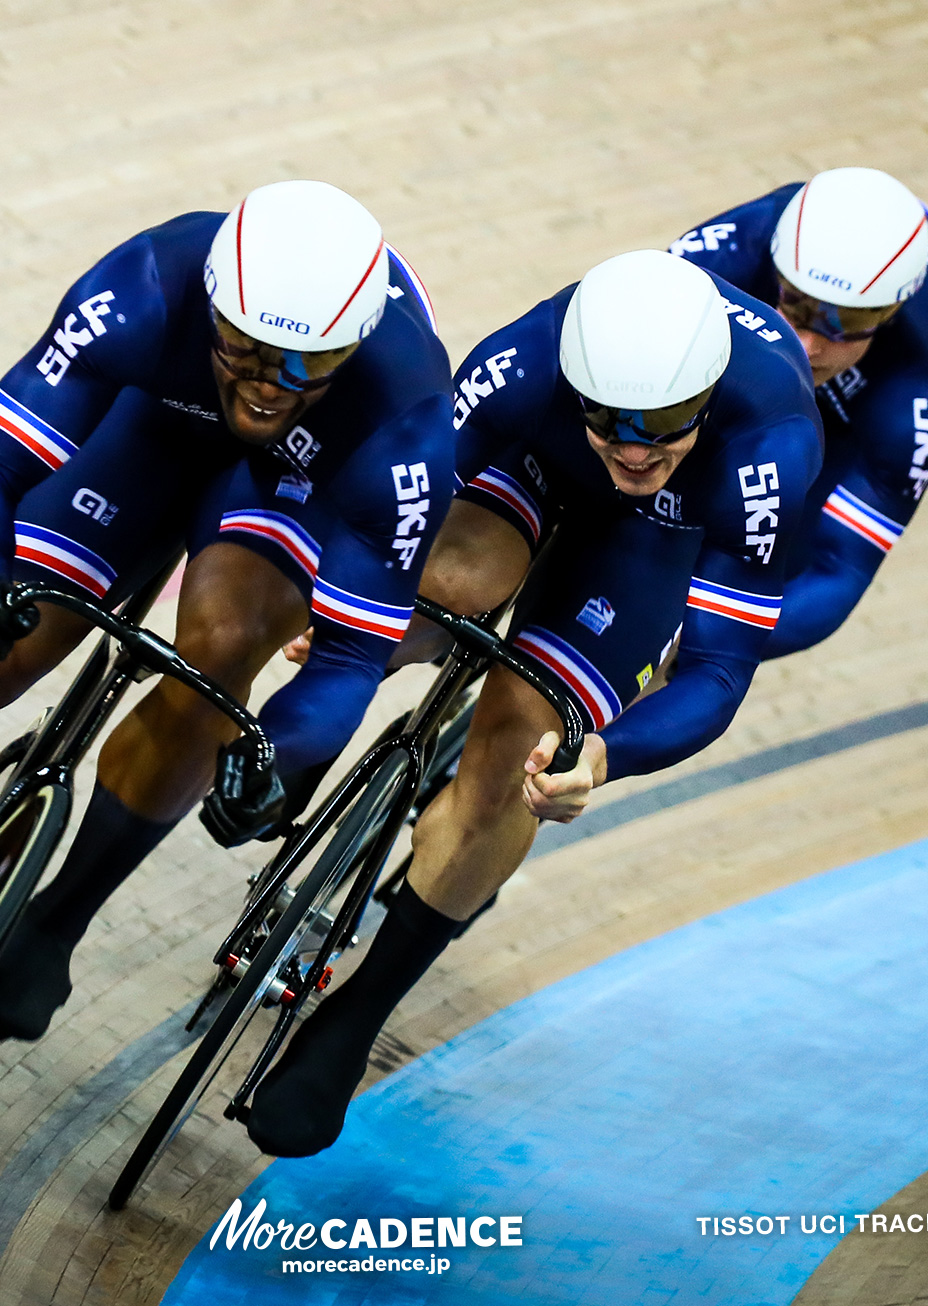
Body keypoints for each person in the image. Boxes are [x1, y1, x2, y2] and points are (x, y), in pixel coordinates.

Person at [0, 180, 456, 1043]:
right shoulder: (145, 290)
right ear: (211, 306)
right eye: (243, 349)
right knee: (4, 643)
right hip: (157, 420)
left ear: (354, 347)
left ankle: (58, 917)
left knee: (221, 649)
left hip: (302, 477)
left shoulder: (402, 418)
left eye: (303, 367)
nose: (266, 384)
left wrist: (273, 749)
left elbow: (347, 659)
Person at [242, 249, 823, 1157]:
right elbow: (401, 491)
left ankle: (354, 1019)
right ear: (575, 382)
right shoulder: (525, 362)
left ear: (706, 400)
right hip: (534, 467)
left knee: (520, 750)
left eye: (664, 426)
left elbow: (717, 670)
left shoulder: (769, 447)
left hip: (656, 543)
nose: (634, 448)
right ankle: (308, 741)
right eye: (612, 420)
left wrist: (604, 756)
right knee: (448, 580)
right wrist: (364, 614)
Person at [667, 166, 928, 655]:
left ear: (891, 312)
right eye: (795, 305)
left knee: (747, 569)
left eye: (842, 324)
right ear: (776, 270)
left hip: (846, 420)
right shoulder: (738, 247)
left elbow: (838, 568)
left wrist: (696, 648)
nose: (805, 345)